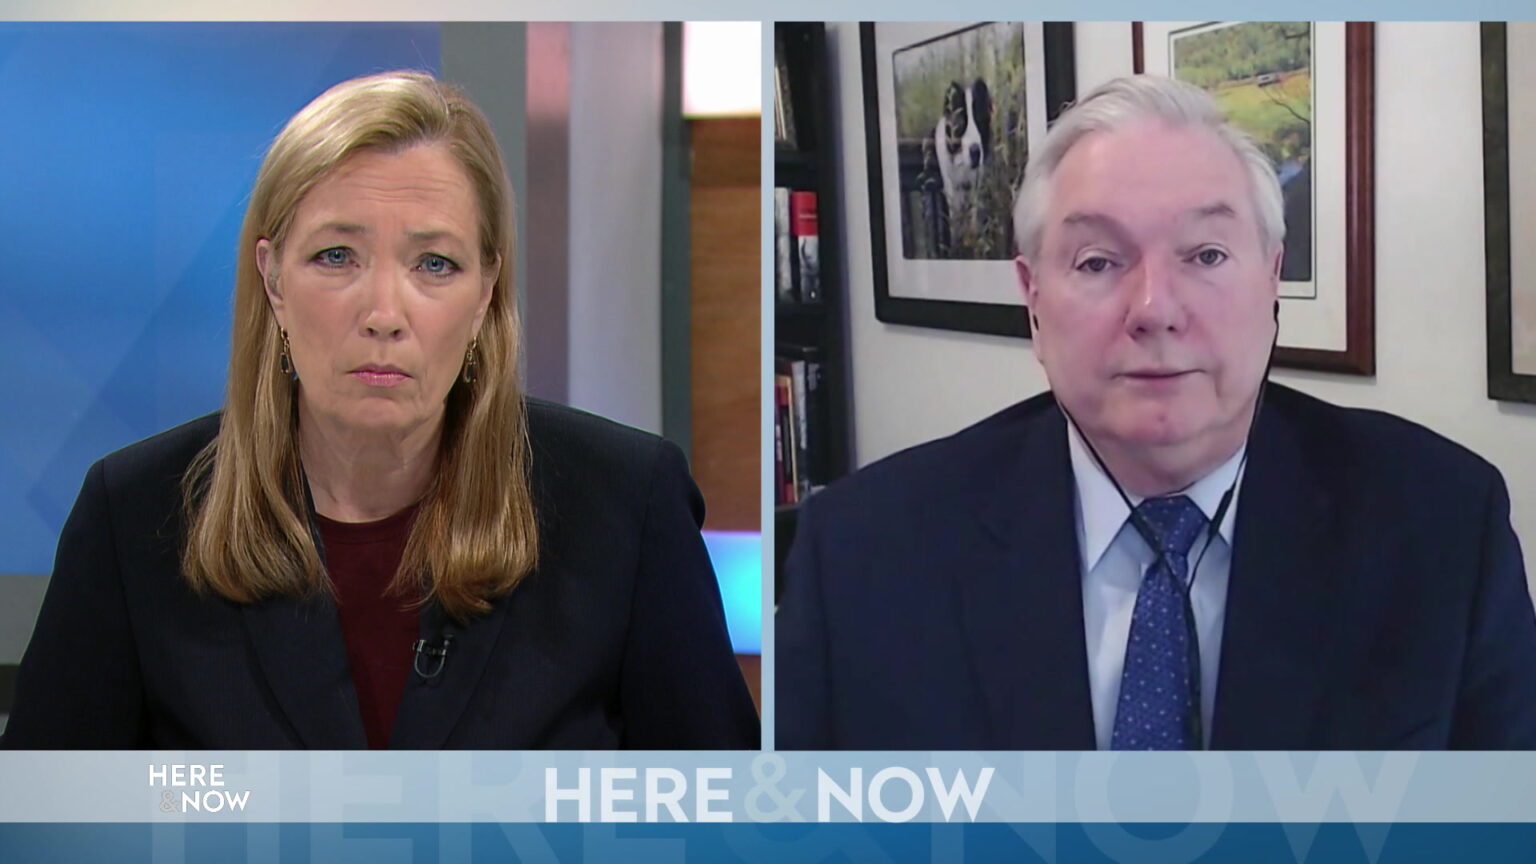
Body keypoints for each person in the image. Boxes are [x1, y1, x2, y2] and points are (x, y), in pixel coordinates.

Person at [776, 75, 1536, 750]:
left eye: (1205, 255)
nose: (1154, 309)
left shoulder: (1443, 523)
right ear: (1032, 298)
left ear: (1272, 283)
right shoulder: (860, 552)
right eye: (1098, 262)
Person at [2, 71, 758, 749]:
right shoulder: (133, 515)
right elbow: (43, 826)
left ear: (485, 292)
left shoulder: (625, 505)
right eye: (337, 257)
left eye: (435, 263)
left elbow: (721, 826)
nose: (384, 312)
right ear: (273, 281)